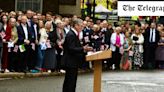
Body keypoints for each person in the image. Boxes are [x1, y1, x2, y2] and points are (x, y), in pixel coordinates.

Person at [61, 18, 93, 92]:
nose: (82, 28)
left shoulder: (73, 34)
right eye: (81, 26)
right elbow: (71, 48)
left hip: (72, 61)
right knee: (71, 81)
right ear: (75, 25)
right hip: (70, 61)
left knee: (69, 80)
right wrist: (83, 49)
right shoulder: (71, 34)